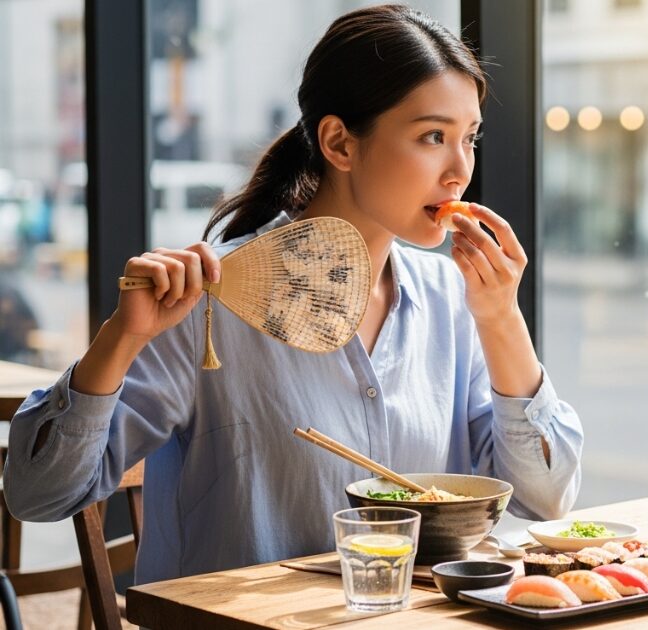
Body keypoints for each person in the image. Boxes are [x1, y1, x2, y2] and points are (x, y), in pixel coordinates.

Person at [2, 5, 583, 584]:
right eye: (433, 136)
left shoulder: (452, 301)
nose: (460, 169)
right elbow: (38, 495)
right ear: (339, 143)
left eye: (470, 138)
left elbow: (546, 499)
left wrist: (503, 319)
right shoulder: (206, 301)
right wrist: (121, 338)